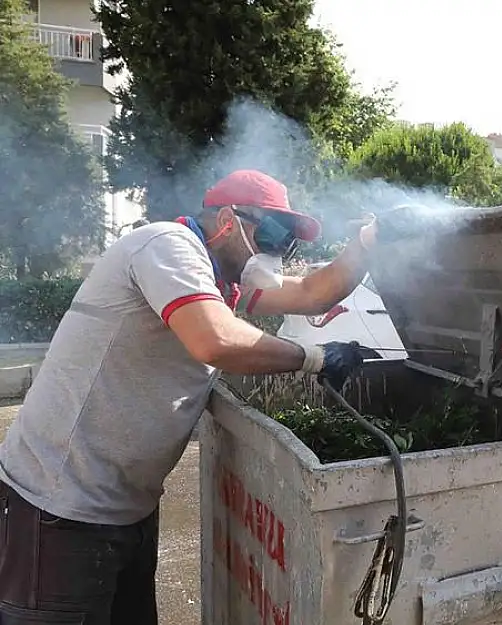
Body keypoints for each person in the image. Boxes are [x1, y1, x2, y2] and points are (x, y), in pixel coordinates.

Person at [0, 169, 381, 625]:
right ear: (226, 220)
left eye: (288, 241)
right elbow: (214, 340)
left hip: (127, 507)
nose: (278, 251)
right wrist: (315, 357)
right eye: (274, 233)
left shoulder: (219, 279)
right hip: (58, 508)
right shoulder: (166, 245)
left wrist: (368, 242)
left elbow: (315, 292)